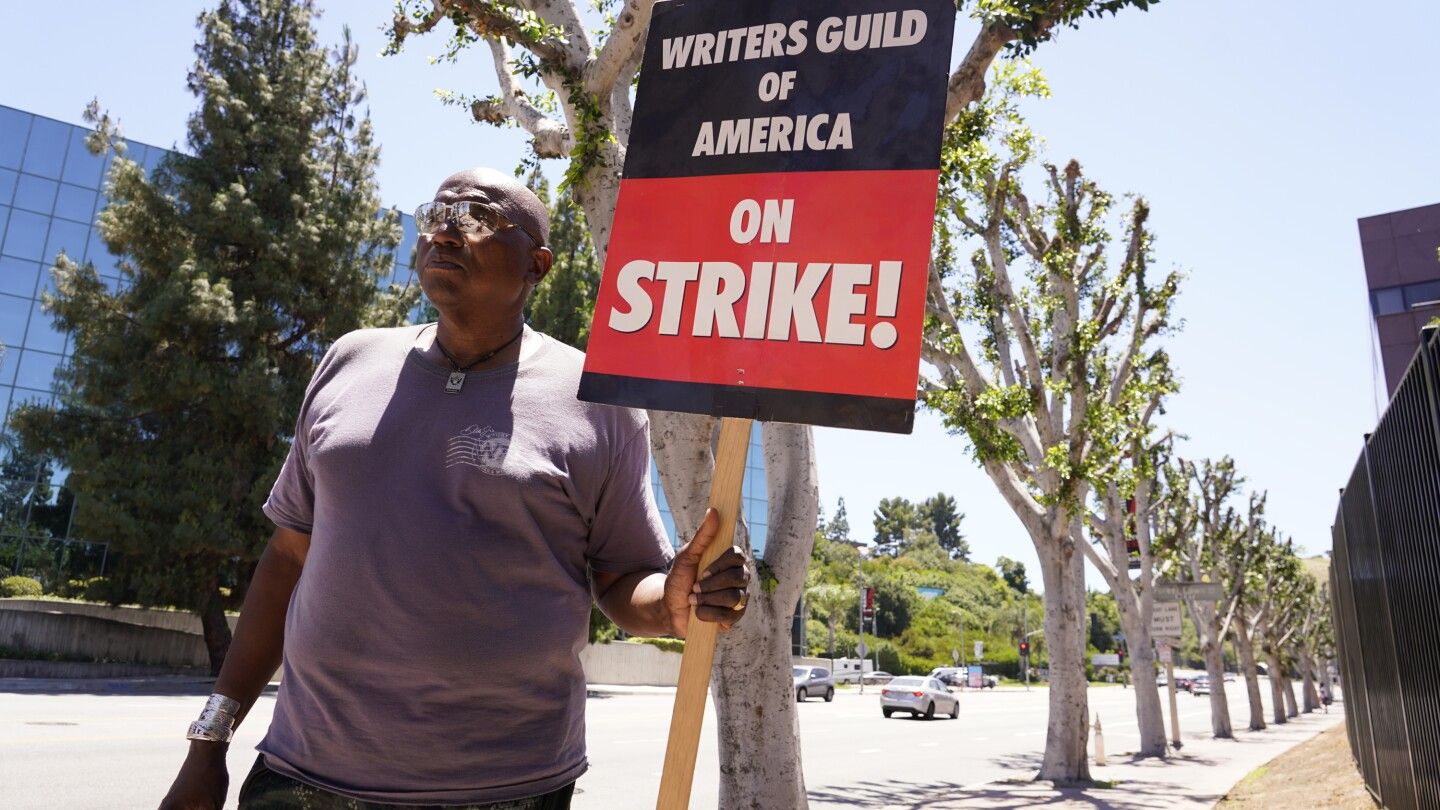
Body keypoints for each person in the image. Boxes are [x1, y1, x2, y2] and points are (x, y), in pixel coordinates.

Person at [159, 168, 752, 809]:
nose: (445, 230)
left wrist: (672, 602)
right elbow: (286, 559)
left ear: (538, 265)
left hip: (503, 791)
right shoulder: (349, 362)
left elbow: (620, 578)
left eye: (475, 215)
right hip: (302, 777)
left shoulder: (597, 401)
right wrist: (210, 741)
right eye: (436, 213)